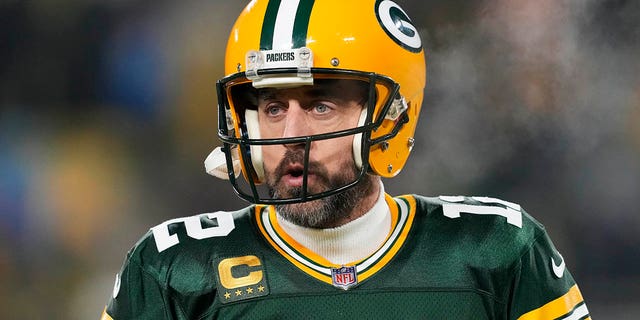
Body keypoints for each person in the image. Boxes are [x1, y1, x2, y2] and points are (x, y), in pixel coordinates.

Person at [101, 0, 590, 319]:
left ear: (388, 118)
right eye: (272, 108)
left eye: (320, 106)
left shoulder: (496, 250)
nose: (290, 134)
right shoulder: (175, 269)